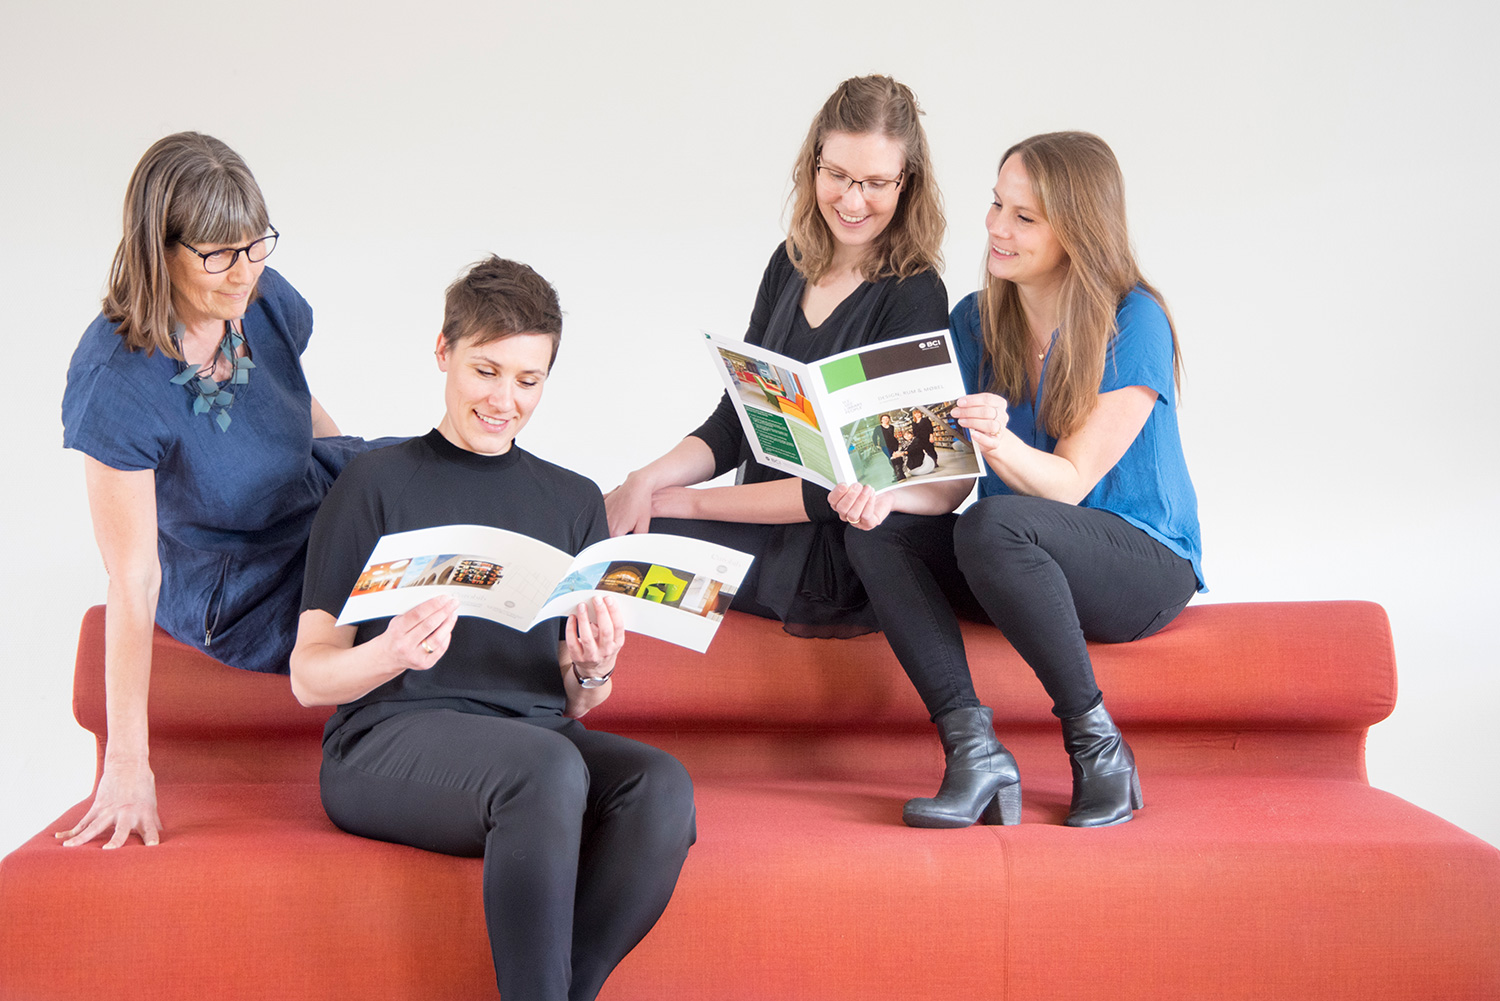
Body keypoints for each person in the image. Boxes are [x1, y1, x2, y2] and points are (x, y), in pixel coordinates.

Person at [290, 257, 695, 1001]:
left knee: (660, 786)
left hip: (538, 739)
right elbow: (309, 674)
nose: (505, 400)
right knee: (546, 769)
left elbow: (574, 702)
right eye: (486, 370)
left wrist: (593, 667)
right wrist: (390, 652)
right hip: (384, 741)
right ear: (443, 351)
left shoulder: (572, 500)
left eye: (528, 380)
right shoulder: (373, 483)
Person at [831, 131, 1205, 829]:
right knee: (882, 534)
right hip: (1007, 553)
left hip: (1140, 562)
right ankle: (973, 753)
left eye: (1024, 216)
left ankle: (1099, 749)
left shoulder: (1134, 318)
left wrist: (997, 441)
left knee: (994, 523)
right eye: (997, 204)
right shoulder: (973, 319)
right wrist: (883, 495)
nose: (996, 227)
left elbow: (1068, 483)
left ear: (1079, 231)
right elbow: (947, 484)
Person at [58, 132, 391, 850]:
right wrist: (127, 763)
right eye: (218, 254)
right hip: (236, 576)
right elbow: (132, 576)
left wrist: (358, 488)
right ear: (159, 251)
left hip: (307, 495)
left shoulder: (258, 294)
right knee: (401, 602)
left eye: (255, 244)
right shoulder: (116, 380)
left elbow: (296, 400)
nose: (244, 273)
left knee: (437, 473)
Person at [605, 74, 948, 636]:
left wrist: (686, 503)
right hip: (754, 528)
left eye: (875, 183)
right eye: (837, 175)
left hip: (828, 560)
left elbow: (854, 480)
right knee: (594, 519)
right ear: (813, 164)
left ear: (905, 182)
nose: (852, 200)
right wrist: (645, 480)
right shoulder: (789, 264)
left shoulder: (915, 294)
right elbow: (735, 421)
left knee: (620, 542)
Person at [873, 413, 907, 482]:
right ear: (881, 420)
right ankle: (896, 474)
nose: (885, 420)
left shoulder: (891, 427)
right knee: (891, 459)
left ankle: (899, 472)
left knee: (896, 457)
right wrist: (876, 444)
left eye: (887, 418)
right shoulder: (878, 428)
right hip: (885, 446)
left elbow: (891, 436)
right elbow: (874, 436)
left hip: (894, 444)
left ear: (889, 419)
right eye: (884, 419)